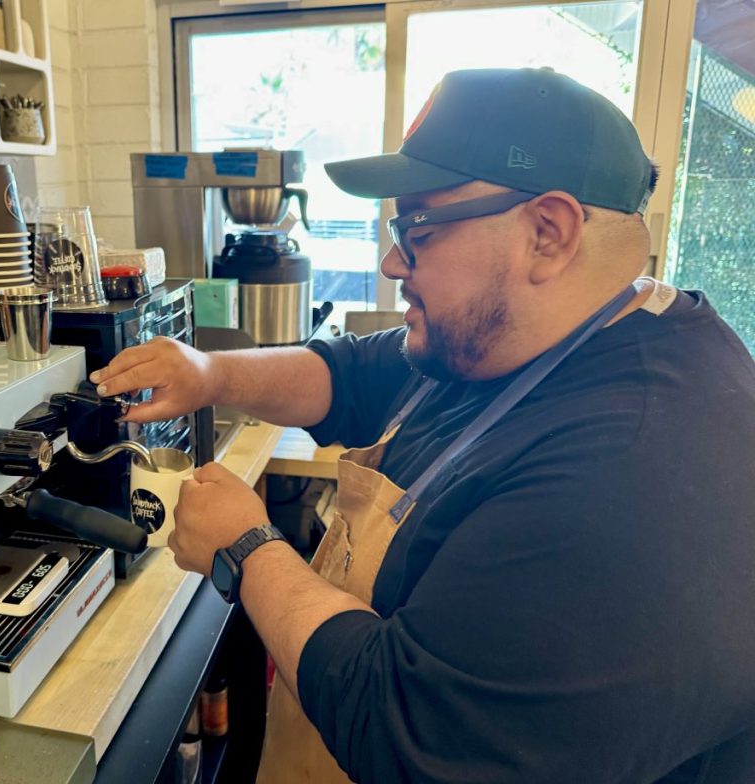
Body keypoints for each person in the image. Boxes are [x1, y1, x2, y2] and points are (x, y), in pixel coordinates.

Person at [91, 68, 755, 783]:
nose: (391, 262)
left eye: (420, 229)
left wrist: (247, 548)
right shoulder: (526, 334)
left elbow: (411, 735)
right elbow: (349, 373)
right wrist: (210, 373)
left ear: (548, 233)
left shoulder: (631, 470)